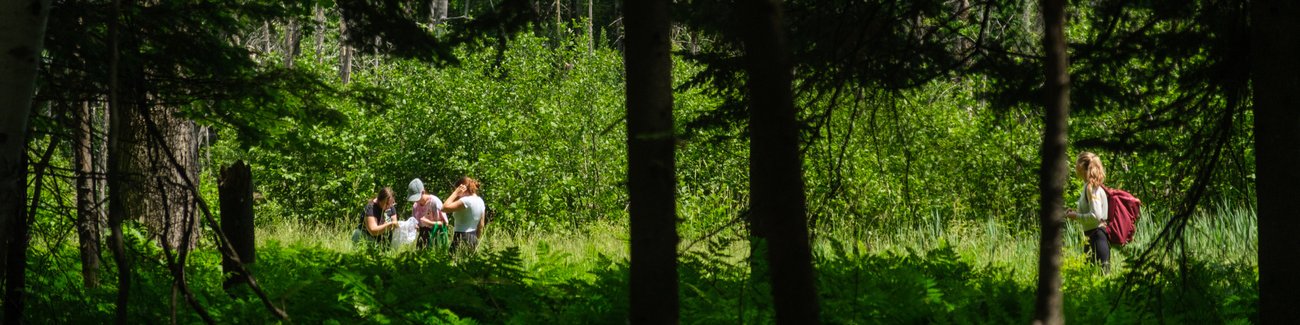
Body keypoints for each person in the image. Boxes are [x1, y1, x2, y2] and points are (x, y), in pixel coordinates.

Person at [1066, 151, 1110, 272]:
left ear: (1081, 167)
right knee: (1088, 280)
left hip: (1097, 237)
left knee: (1102, 278)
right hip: (1091, 237)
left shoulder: (1092, 188)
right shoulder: (1089, 186)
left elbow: (1096, 216)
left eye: (1076, 164)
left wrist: (1077, 216)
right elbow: (1092, 212)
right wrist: (1075, 212)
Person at [443, 176, 485, 256]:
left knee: (453, 264)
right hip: (473, 237)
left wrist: (455, 193)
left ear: (462, 188)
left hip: (461, 237)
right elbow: (481, 225)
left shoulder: (466, 201)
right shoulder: (480, 201)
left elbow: (444, 208)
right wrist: (476, 239)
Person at [406, 178, 449, 250]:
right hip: (423, 235)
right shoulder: (415, 206)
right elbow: (416, 222)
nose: (416, 200)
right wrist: (415, 226)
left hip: (436, 233)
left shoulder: (434, 202)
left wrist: (428, 222)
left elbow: (444, 224)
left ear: (423, 192)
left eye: (417, 197)